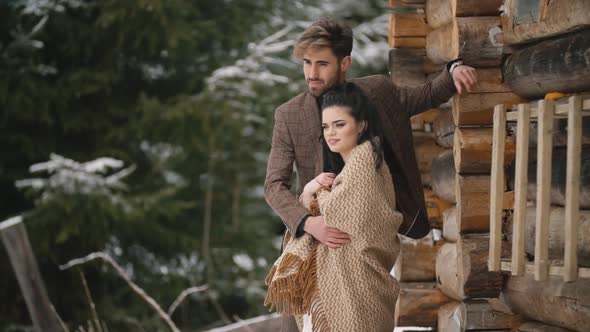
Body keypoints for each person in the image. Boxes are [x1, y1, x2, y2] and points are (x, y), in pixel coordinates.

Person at [264, 17, 477, 331]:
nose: (311, 73)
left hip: (364, 242)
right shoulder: (289, 115)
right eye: (307, 63)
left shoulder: (376, 94)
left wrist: (455, 68)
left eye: (322, 64)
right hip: (312, 238)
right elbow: (273, 185)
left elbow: (424, 95)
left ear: (345, 62)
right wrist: (310, 223)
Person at [265, 82, 403, 331]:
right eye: (326, 126)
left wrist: (315, 193)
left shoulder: (365, 162)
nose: (331, 133)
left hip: (358, 293)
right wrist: (311, 190)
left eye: (340, 125)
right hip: (333, 291)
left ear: (361, 125)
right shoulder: (346, 171)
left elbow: (339, 219)